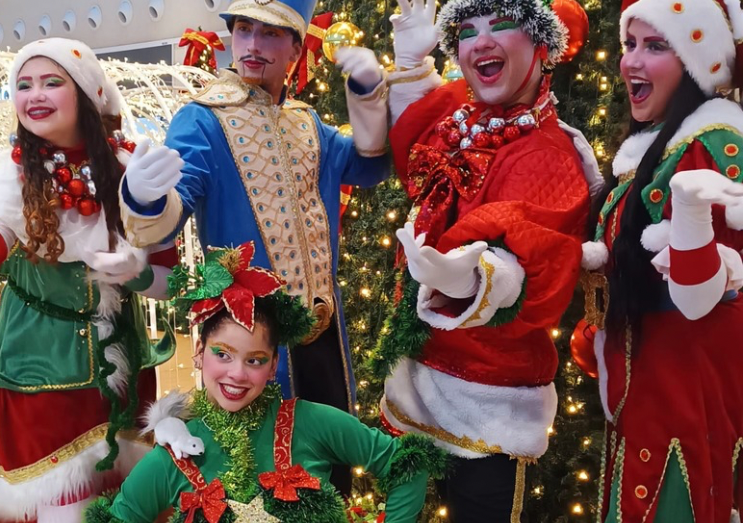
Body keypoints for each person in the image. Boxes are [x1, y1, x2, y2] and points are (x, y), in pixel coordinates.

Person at [372, 0, 599, 520]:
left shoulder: (547, 154)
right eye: (468, 31)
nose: (481, 42)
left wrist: (470, 279)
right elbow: (416, 139)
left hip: (488, 399)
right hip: (417, 371)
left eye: (501, 27)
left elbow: (536, 261)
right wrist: (410, 67)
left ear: (542, 48)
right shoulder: (464, 116)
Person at [117, 0, 389, 417]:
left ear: (296, 50)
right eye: (244, 29)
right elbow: (171, 213)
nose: (253, 45)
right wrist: (143, 196)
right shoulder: (203, 118)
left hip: (322, 331)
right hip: (247, 338)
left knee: (330, 458)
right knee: (258, 468)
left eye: (270, 33)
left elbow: (367, 165)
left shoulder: (307, 122)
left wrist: (368, 94)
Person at [84, 242, 446, 523]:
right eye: (222, 354)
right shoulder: (172, 458)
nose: (237, 374)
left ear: (273, 366)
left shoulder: (312, 423)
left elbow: (406, 464)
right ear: (199, 351)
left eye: (254, 360)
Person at [0, 38, 181, 522]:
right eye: (22, 85)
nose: (33, 95)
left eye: (51, 82)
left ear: (86, 93)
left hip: (120, 369)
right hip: (38, 373)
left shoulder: (131, 169)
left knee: (128, 495)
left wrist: (138, 270)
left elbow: (169, 280)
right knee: (58, 504)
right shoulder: (11, 174)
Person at [578, 0, 743, 521]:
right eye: (629, 44)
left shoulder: (713, 146)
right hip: (644, 394)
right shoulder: (654, 146)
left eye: (655, 46)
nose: (631, 61)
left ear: (697, 61)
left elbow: (709, 292)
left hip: (687, 395)